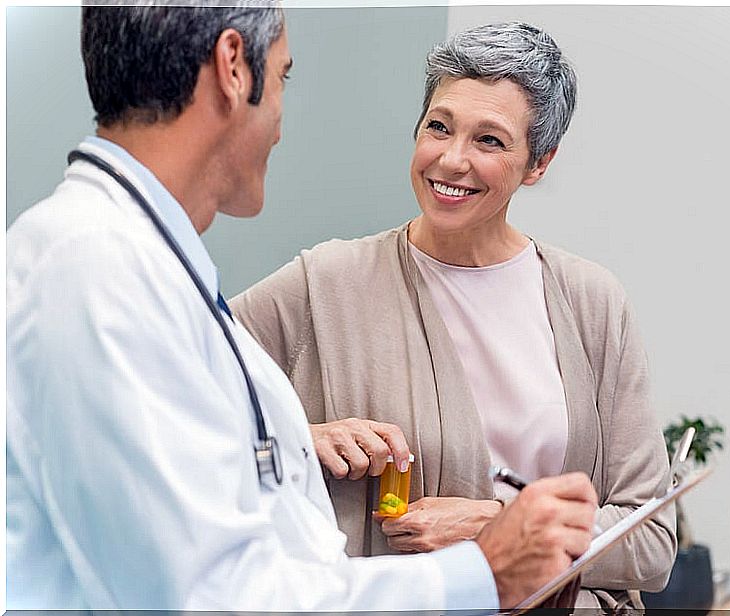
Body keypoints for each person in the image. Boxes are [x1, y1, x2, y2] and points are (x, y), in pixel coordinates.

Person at [6, 6, 600, 611]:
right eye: (283, 76)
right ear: (233, 68)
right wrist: (481, 572)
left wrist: (294, 438)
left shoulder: (140, 265)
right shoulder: (95, 268)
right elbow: (213, 595)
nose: (282, 124)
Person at [231, 21, 677, 610]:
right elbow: (171, 399)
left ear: (538, 162)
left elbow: (649, 542)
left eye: (490, 141)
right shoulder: (324, 283)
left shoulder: (592, 302)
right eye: (438, 127)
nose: (451, 159)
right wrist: (300, 435)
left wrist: (493, 525)